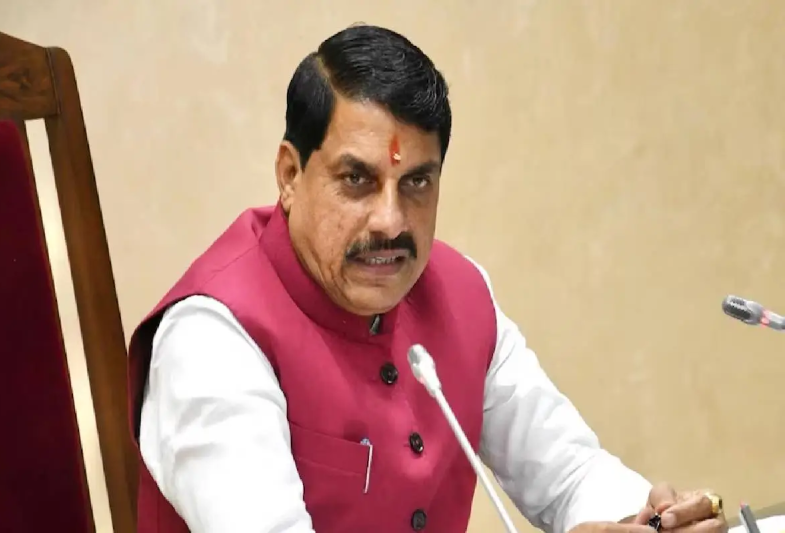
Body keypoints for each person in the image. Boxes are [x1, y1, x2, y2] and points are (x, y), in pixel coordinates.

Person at [127, 24, 730, 533]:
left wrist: (648, 519)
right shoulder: (211, 337)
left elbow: (569, 473)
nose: (391, 222)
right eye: (357, 180)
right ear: (290, 174)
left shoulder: (460, 295)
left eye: (416, 182)